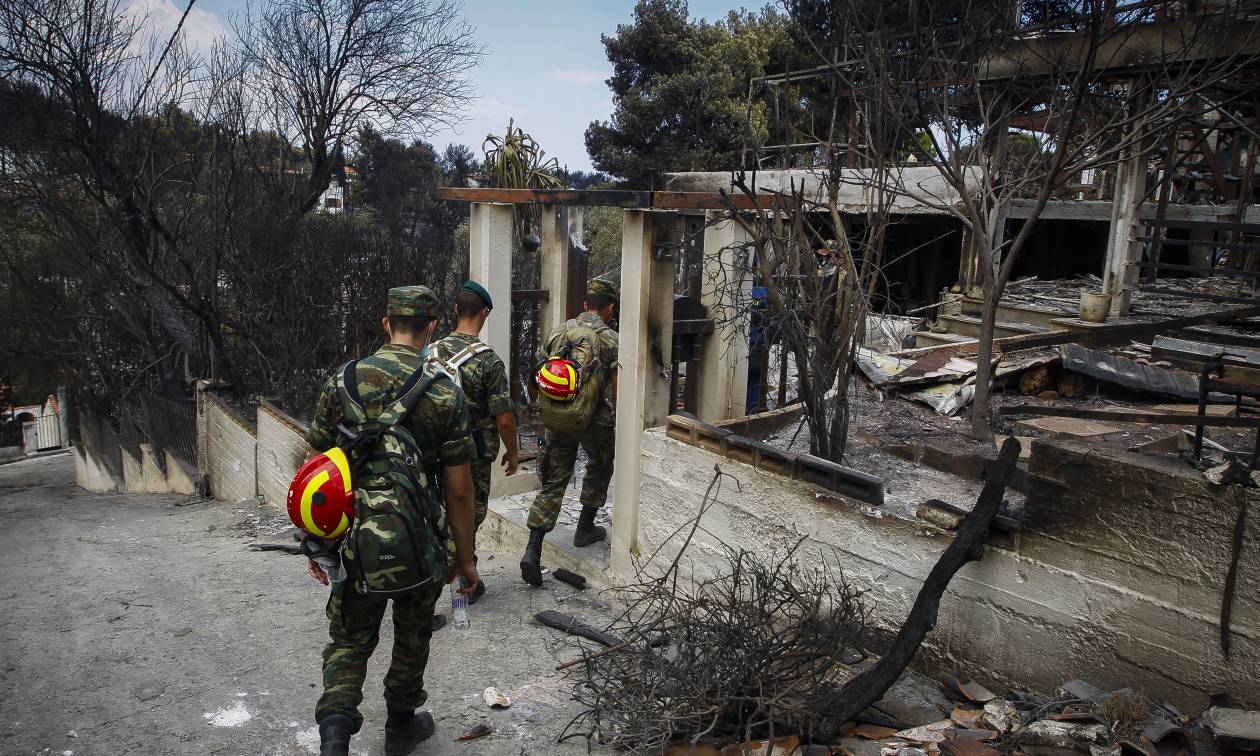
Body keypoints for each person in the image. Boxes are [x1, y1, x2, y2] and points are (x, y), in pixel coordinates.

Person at [304, 285, 480, 756]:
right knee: (412, 633)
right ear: (432, 327)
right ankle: (401, 724)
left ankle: (335, 735)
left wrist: (316, 544)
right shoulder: (444, 392)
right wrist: (465, 559)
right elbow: (460, 490)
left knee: (348, 639)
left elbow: (315, 473)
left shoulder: (342, 382)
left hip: (354, 541)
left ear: (386, 324)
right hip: (421, 541)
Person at [520, 278, 619, 586]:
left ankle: (533, 549)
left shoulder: (557, 332)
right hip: (592, 420)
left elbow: (538, 375)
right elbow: (616, 391)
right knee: (601, 464)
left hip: (556, 416)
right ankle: (585, 528)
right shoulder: (610, 340)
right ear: (610, 308)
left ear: (585, 305)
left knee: (554, 479)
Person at [428, 280, 518, 603]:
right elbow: (504, 418)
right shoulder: (489, 362)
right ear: (485, 312)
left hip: (432, 451)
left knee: (439, 516)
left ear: (455, 310)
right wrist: (514, 451)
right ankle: (426, 594)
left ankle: (470, 578)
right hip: (473, 456)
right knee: (468, 517)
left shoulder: (431, 352)